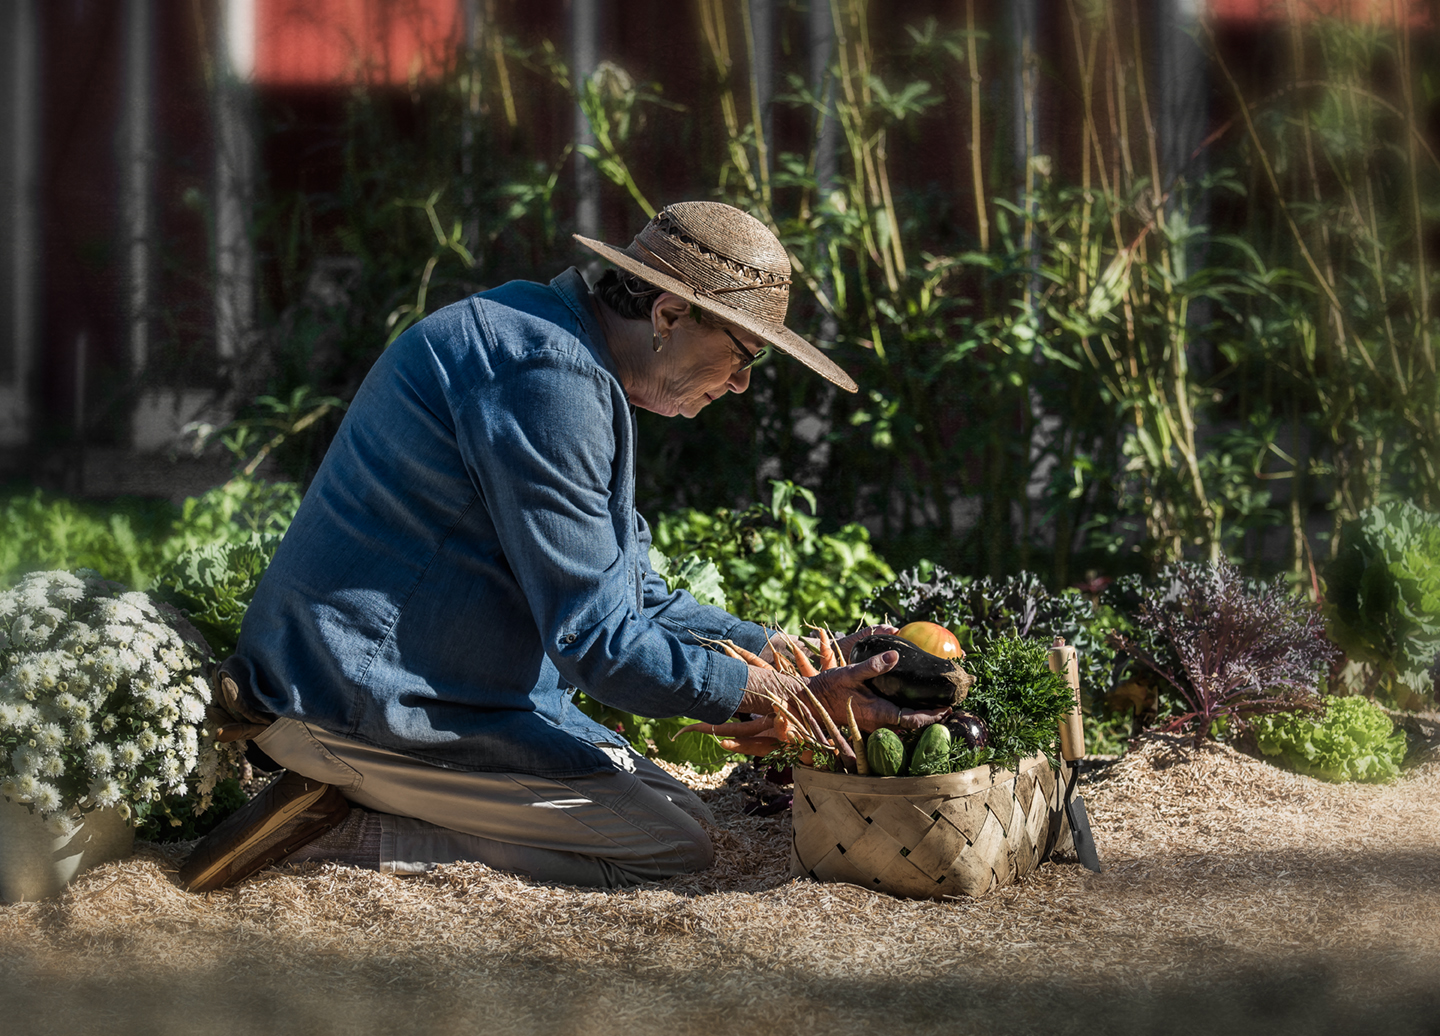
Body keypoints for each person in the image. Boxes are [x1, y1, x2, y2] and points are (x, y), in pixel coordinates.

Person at [181, 202, 946, 893]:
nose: (743, 383)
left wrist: (784, 655)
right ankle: (343, 830)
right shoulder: (548, 379)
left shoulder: (558, 346)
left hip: (409, 679)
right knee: (666, 846)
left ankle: (362, 796)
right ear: (670, 314)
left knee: (677, 803)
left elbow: (634, 594)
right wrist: (775, 698)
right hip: (357, 698)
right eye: (747, 352)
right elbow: (599, 644)